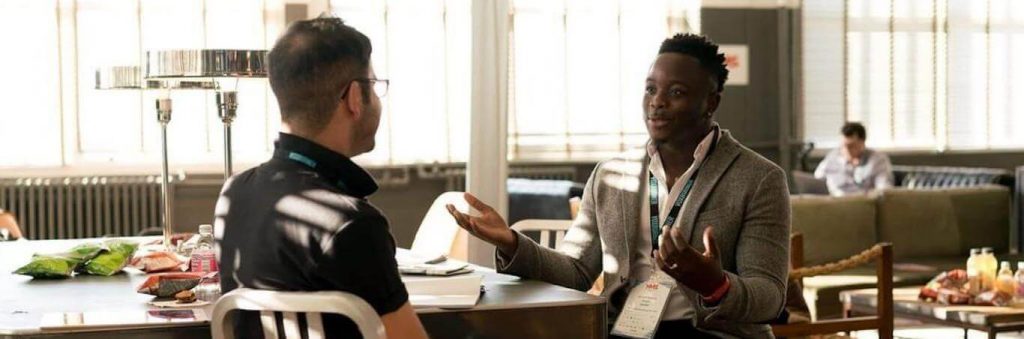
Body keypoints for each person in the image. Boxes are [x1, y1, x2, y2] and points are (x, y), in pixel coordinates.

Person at [447, 33, 790, 338]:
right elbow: (576, 271)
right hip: (622, 329)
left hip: (713, 332)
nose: (657, 101)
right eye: (651, 89)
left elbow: (771, 297)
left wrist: (716, 285)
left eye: (676, 92)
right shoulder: (611, 175)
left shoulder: (759, 178)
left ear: (711, 103)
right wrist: (510, 242)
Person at [215, 16, 427, 339]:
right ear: (354, 97)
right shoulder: (352, 224)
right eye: (374, 86)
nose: (377, 99)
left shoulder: (235, 193)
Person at [814, 122, 894, 196]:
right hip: (835, 201)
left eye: (851, 146)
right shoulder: (833, 157)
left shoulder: (877, 160)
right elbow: (816, 181)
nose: (846, 150)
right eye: (843, 146)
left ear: (862, 143)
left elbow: (884, 190)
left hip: (862, 201)